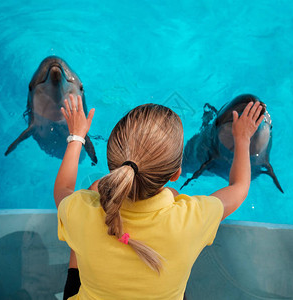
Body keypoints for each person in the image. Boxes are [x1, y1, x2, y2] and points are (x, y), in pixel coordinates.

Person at [54, 94, 264, 300]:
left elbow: (63, 189)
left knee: (94, 190)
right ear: (176, 174)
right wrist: (242, 139)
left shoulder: (81, 213)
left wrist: (77, 136)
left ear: (113, 166)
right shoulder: (191, 220)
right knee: (173, 196)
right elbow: (240, 187)